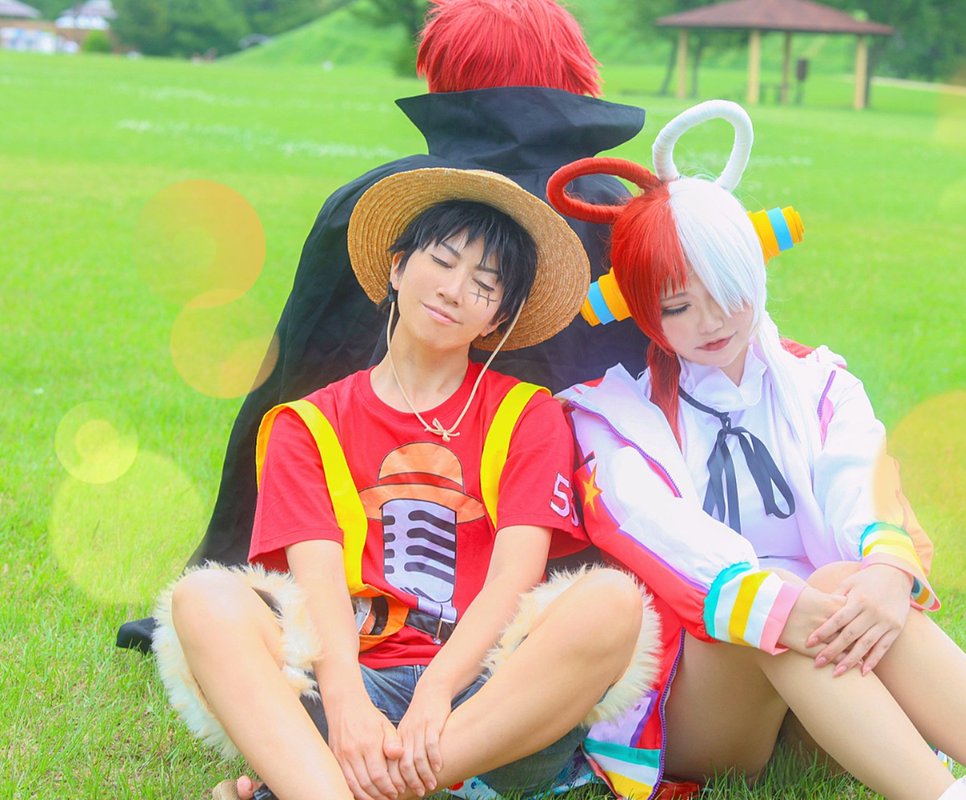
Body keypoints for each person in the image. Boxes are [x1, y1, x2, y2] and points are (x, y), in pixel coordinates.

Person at [548, 101, 966, 800]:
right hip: (706, 706)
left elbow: (858, 484)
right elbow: (661, 533)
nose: (710, 321)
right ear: (644, 312)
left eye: (725, 290)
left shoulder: (821, 383)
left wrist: (887, 574)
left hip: (828, 690)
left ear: (755, 270)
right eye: (677, 306)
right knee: (778, 607)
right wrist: (777, 604)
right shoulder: (613, 416)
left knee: (845, 579)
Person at [152, 169, 658, 800]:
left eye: (484, 285)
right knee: (202, 598)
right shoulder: (306, 425)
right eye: (441, 261)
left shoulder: (528, 415)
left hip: (485, 706)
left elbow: (514, 579)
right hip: (348, 690)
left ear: (498, 318)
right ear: (397, 267)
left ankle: (328, 786)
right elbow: (318, 587)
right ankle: (350, 781)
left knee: (614, 602)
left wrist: (438, 692)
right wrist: (347, 711)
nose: (453, 290)